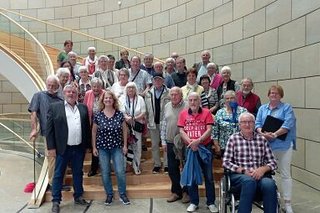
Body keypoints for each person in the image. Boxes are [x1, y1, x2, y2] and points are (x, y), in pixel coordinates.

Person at [46, 85, 91, 213]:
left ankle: (78, 196)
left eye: (73, 92)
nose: (71, 94)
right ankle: (56, 200)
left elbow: (86, 128)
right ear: (64, 93)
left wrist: (87, 145)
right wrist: (51, 147)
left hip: (78, 148)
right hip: (62, 149)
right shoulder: (55, 107)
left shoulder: (82, 108)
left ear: (77, 94)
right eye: (69, 92)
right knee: (58, 174)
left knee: (78, 173)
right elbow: (49, 130)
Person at [223, 112, 278, 213]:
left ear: (254, 123)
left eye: (250, 122)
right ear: (239, 125)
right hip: (240, 176)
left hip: (260, 175)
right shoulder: (233, 139)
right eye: (244, 122)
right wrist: (243, 171)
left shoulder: (262, 140)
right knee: (249, 181)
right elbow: (226, 162)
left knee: (269, 184)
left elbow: (273, 162)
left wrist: (263, 169)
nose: (247, 124)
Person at [255, 85, 296, 213]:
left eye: (276, 93)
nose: (273, 95)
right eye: (271, 93)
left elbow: (288, 124)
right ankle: (273, 198)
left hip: (283, 146)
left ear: (281, 95)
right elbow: (257, 124)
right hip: (266, 146)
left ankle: (287, 203)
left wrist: (274, 134)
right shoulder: (262, 108)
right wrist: (262, 133)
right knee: (269, 173)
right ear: (268, 95)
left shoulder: (287, 108)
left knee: (285, 173)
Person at [177, 92, 218, 213]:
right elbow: (181, 130)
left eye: (195, 100)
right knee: (191, 175)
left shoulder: (207, 113)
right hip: (190, 148)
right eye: (190, 100)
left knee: (209, 177)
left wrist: (198, 141)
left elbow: (209, 129)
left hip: (205, 148)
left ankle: (211, 202)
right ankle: (194, 202)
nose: (193, 102)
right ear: (188, 102)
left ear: (199, 101)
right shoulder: (183, 113)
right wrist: (191, 142)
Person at [91, 89, 130, 205]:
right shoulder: (98, 115)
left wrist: (125, 145)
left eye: (110, 98)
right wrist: (94, 147)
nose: (108, 99)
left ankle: (122, 194)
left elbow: (124, 129)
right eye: (106, 98)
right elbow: (93, 132)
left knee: (120, 171)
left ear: (113, 100)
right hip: (102, 148)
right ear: (103, 100)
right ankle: (109, 194)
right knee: (105, 172)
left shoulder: (119, 114)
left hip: (117, 147)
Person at [28, 75, 63, 189]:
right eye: (49, 85)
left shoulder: (60, 99)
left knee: (60, 157)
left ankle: (58, 181)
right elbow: (33, 113)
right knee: (51, 157)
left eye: (53, 85)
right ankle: (53, 183)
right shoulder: (38, 96)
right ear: (46, 84)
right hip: (47, 133)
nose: (51, 87)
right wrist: (34, 129)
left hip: (60, 134)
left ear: (58, 86)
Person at [160, 87, 190, 203]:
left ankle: (187, 192)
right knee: (172, 169)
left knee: (186, 168)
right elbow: (163, 123)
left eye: (176, 94)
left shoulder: (187, 105)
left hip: (185, 142)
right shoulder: (167, 106)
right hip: (170, 141)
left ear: (181, 95)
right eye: (171, 94)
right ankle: (176, 192)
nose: (173, 96)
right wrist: (163, 141)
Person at [145, 73, 170, 174]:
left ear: (163, 80)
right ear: (153, 81)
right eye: (155, 80)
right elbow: (147, 109)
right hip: (153, 123)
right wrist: (147, 120)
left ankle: (167, 165)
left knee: (166, 145)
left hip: (165, 123)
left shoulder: (169, 92)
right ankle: (157, 164)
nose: (157, 81)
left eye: (159, 79)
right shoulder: (148, 93)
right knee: (154, 145)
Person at [119, 82, 146, 175]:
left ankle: (136, 166)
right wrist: (127, 118)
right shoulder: (121, 99)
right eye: (129, 88)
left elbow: (143, 112)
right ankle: (126, 166)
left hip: (137, 126)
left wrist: (134, 119)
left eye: (132, 88)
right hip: (125, 126)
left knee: (137, 147)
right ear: (126, 89)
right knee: (126, 146)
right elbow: (120, 111)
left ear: (135, 89)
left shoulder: (140, 99)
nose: (130, 90)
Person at [212, 90, 247, 155]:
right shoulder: (220, 112)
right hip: (224, 146)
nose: (229, 100)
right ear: (224, 101)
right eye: (227, 98)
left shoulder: (243, 111)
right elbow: (215, 131)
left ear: (235, 99)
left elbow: (248, 128)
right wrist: (216, 145)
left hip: (241, 146)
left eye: (232, 98)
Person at [83, 78, 105, 177]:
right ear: (91, 86)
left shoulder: (105, 94)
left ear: (101, 86)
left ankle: (104, 167)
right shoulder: (88, 94)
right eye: (94, 86)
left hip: (104, 123)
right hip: (92, 122)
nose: (96, 88)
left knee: (103, 146)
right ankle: (94, 168)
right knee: (94, 146)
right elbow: (84, 107)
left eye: (98, 86)